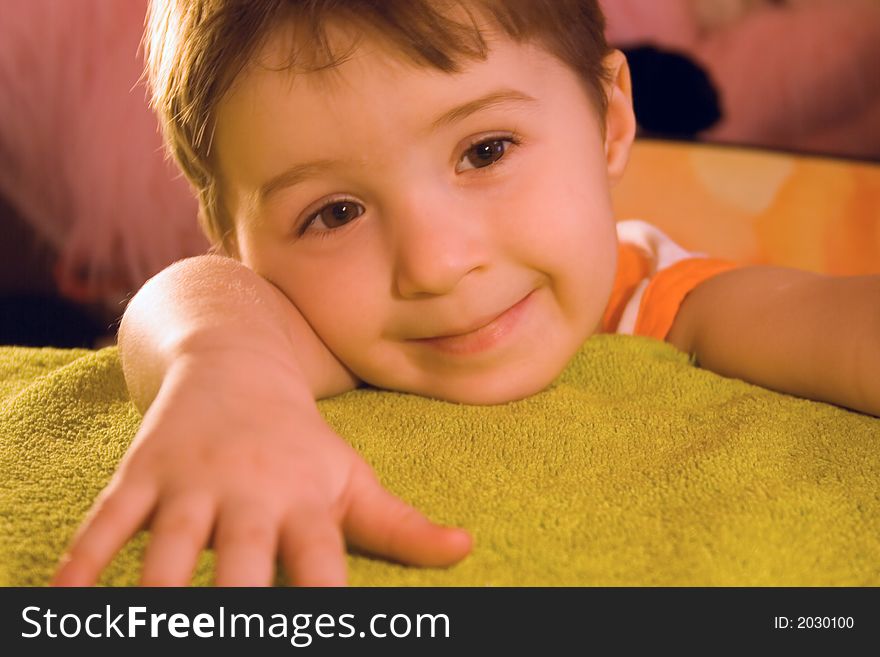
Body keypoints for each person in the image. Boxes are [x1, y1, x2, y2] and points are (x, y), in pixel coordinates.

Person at [52, 0, 880, 587]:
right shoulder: (305, 324)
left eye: (485, 150)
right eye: (333, 212)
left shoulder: (657, 299)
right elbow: (190, 297)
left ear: (608, 119)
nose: (437, 264)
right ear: (240, 245)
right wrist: (222, 378)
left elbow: (825, 321)